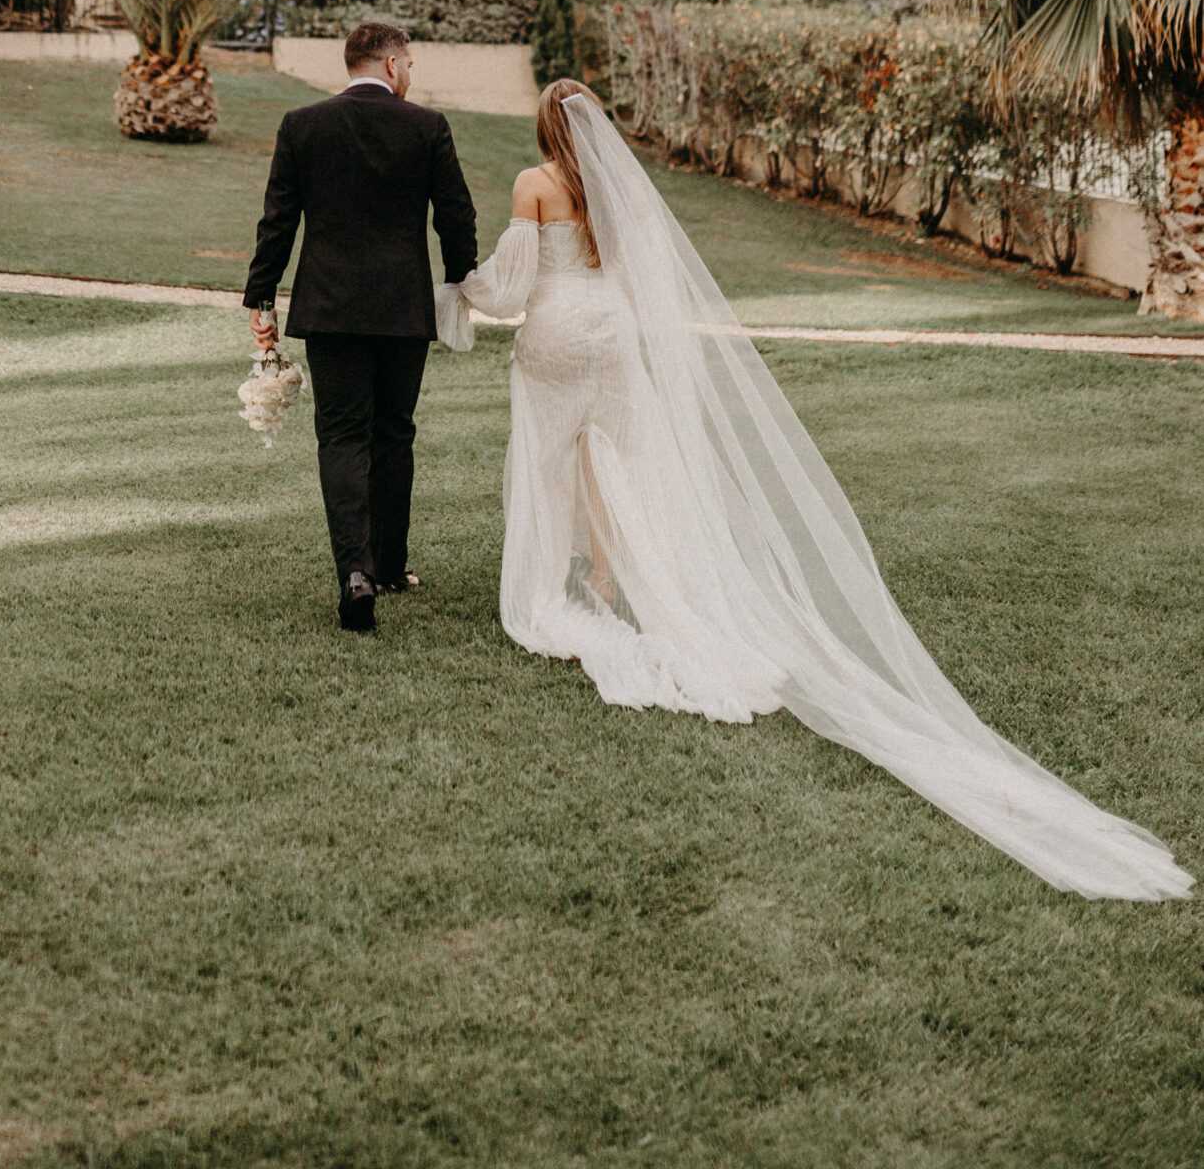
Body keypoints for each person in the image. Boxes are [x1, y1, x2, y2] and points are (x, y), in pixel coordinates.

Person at [439, 78, 1191, 902]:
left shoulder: (534, 183)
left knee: (552, 463)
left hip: (554, 334)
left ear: (543, 127)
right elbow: (644, 276)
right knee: (615, 461)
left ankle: (555, 586)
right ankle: (619, 582)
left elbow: (511, 285)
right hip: (611, 333)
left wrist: (458, 293)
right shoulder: (617, 189)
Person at [243, 18, 477, 633]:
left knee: (343, 436)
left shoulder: (303, 125)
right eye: (410, 66)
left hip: (332, 308)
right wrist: (459, 283)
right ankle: (391, 565)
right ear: (393, 65)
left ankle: (356, 572)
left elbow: (278, 220)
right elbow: (456, 213)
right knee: (394, 432)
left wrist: (261, 298)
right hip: (402, 309)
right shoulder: (427, 126)